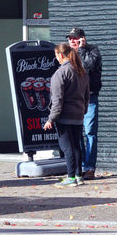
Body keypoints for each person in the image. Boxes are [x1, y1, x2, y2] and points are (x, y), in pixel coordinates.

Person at [44, 43, 89, 188]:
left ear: (61, 55)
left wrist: (51, 118)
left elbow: (57, 100)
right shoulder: (82, 71)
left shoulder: (60, 73)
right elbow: (87, 95)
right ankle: (78, 176)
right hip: (78, 114)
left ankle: (70, 177)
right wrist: (83, 110)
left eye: (56, 55)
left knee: (66, 147)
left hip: (64, 115)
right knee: (76, 146)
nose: (56, 58)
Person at [67, 28, 102, 180]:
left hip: (90, 97)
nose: (72, 41)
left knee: (90, 132)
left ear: (82, 39)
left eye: (75, 38)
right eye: (70, 38)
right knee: (76, 134)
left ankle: (89, 168)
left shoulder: (92, 51)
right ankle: (78, 167)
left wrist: (81, 49)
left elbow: (89, 66)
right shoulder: (68, 54)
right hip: (74, 99)